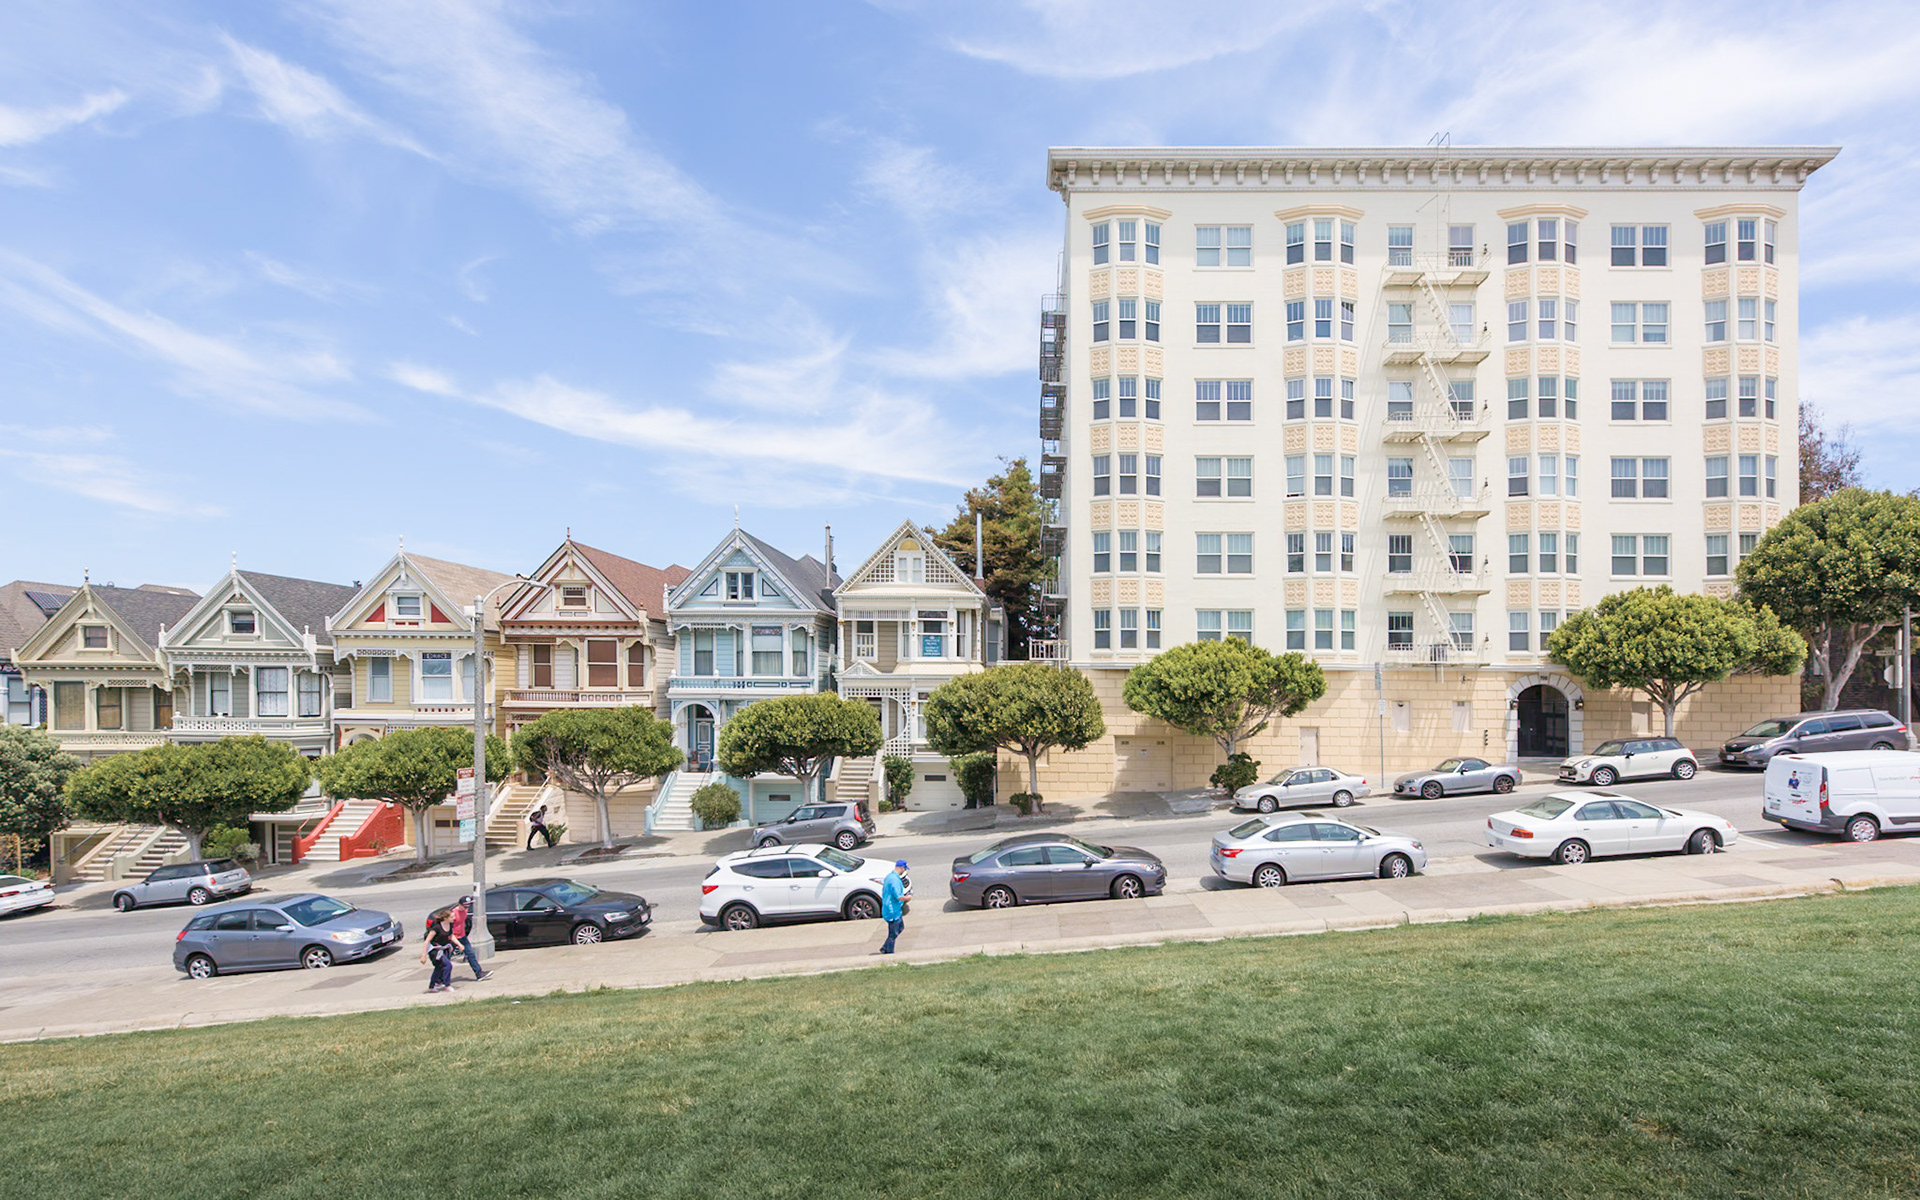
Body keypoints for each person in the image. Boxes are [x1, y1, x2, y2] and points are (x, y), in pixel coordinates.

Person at [448, 895, 490, 982]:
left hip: (463, 937)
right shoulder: (453, 913)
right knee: (446, 958)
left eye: (468, 905)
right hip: (453, 938)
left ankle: (479, 974)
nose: (467, 907)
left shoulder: (465, 910)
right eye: (465, 905)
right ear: (459, 904)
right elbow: (448, 927)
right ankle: (439, 978)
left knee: (470, 954)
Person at [879, 859, 911, 955]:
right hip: (892, 911)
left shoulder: (890, 876)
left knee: (900, 928)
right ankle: (889, 953)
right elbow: (899, 897)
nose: (905, 871)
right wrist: (908, 898)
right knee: (893, 934)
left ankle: (885, 947)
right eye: (905, 869)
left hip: (894, 910)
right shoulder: (894, 881)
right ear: (901, 868)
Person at [421, 911, 456, 993]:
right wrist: (424, 955)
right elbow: (427, 941)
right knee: (448, 965)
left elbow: (451, 936)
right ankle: (447, 985)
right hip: (435, 950)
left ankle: (432, 986)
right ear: (445, 918)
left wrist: (460, 945)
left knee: (439, 967)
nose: (454, 918)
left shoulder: (450, 925)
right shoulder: (437, 928)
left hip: (443, 949)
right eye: (452, 917)